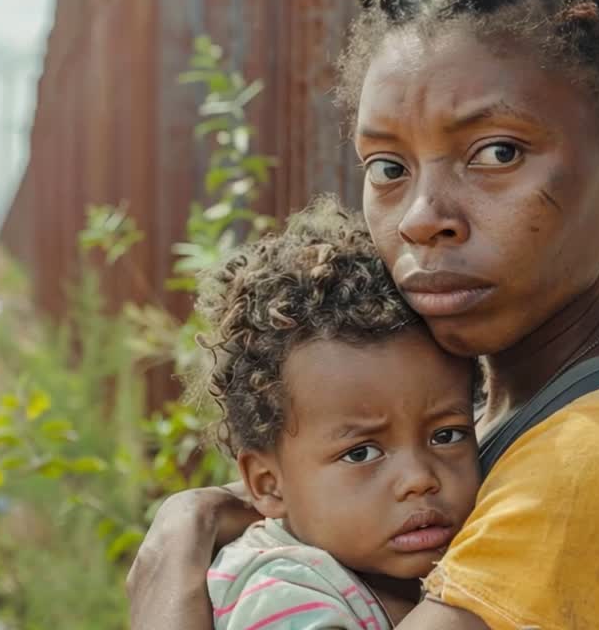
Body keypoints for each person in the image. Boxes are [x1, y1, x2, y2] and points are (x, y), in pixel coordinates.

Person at [128, 0, 599, 628]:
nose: (422, 216)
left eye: (497, 152)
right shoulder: (504, 435)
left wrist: (168, 572)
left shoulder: (593, 461)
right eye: (389, 167)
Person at [195, 198, 482, 629]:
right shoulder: (282, 592)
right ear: (268, 484)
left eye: (446, 435)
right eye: (362, 453)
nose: (420, 478)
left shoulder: (379, 567)